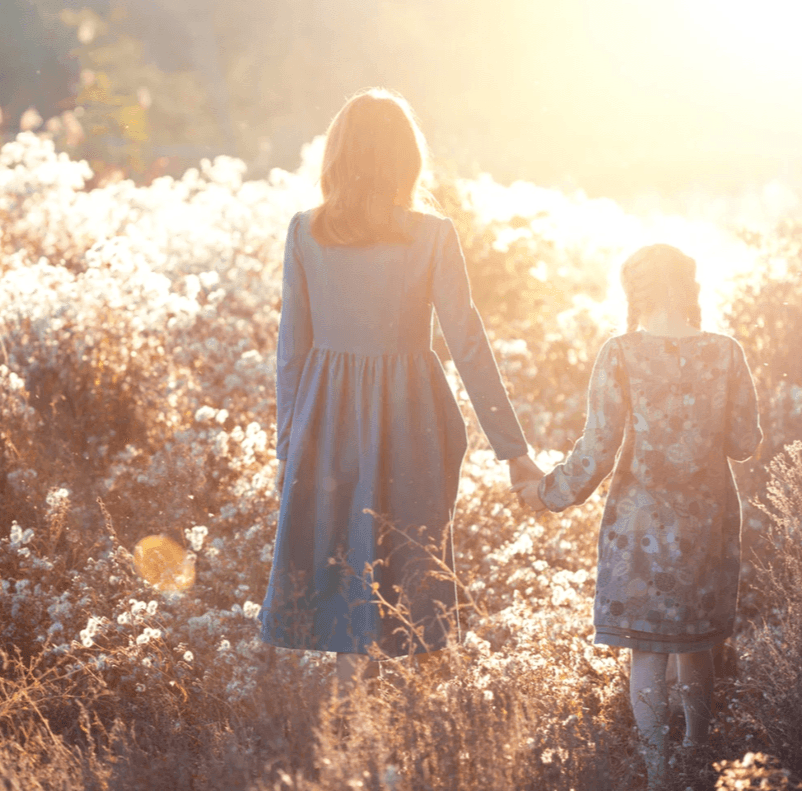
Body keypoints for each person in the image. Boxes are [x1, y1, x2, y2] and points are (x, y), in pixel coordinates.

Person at [258, 88, 542, 692]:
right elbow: (468, 343)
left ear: (337, 155)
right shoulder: (433, 234)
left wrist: (289, 445)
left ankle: (350, 726)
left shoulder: (306, 232)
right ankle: (421, 727)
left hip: (327, 417)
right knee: (417, 563)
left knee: (342, 567)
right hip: (414, 416)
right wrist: (514, 453)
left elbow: (292, 348)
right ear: (406, 159)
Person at [514, 244, 761, 790]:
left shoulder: (620, 353)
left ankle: (658, 775)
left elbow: (597, 450)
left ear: (635, 291)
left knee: (648, 651)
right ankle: (699, 754)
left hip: (639, 526)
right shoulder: (725, 352)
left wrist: (546, 493)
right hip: (708, 520)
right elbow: (746, 443)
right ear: (690, 287)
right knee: (696, 644)